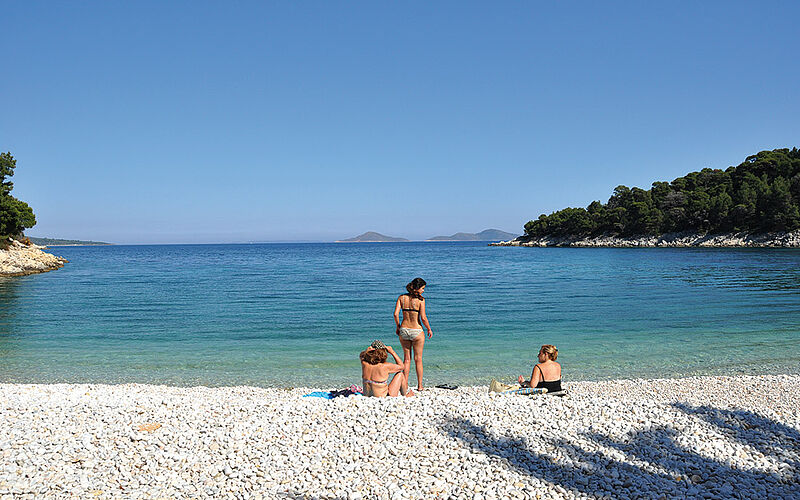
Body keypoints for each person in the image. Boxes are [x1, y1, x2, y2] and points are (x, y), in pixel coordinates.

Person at [393, 277, 433, 391]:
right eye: (423, 288)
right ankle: (420, 386)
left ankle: (404, 386)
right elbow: (423, 318)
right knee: (418, 359)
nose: (423, 291)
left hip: (404, 330)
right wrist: (429, 329)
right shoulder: (421, 300)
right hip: (416, 331)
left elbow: (395, 314)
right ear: (417, 288)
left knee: (406, 359)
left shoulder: (402, 298)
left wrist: (398, 326)